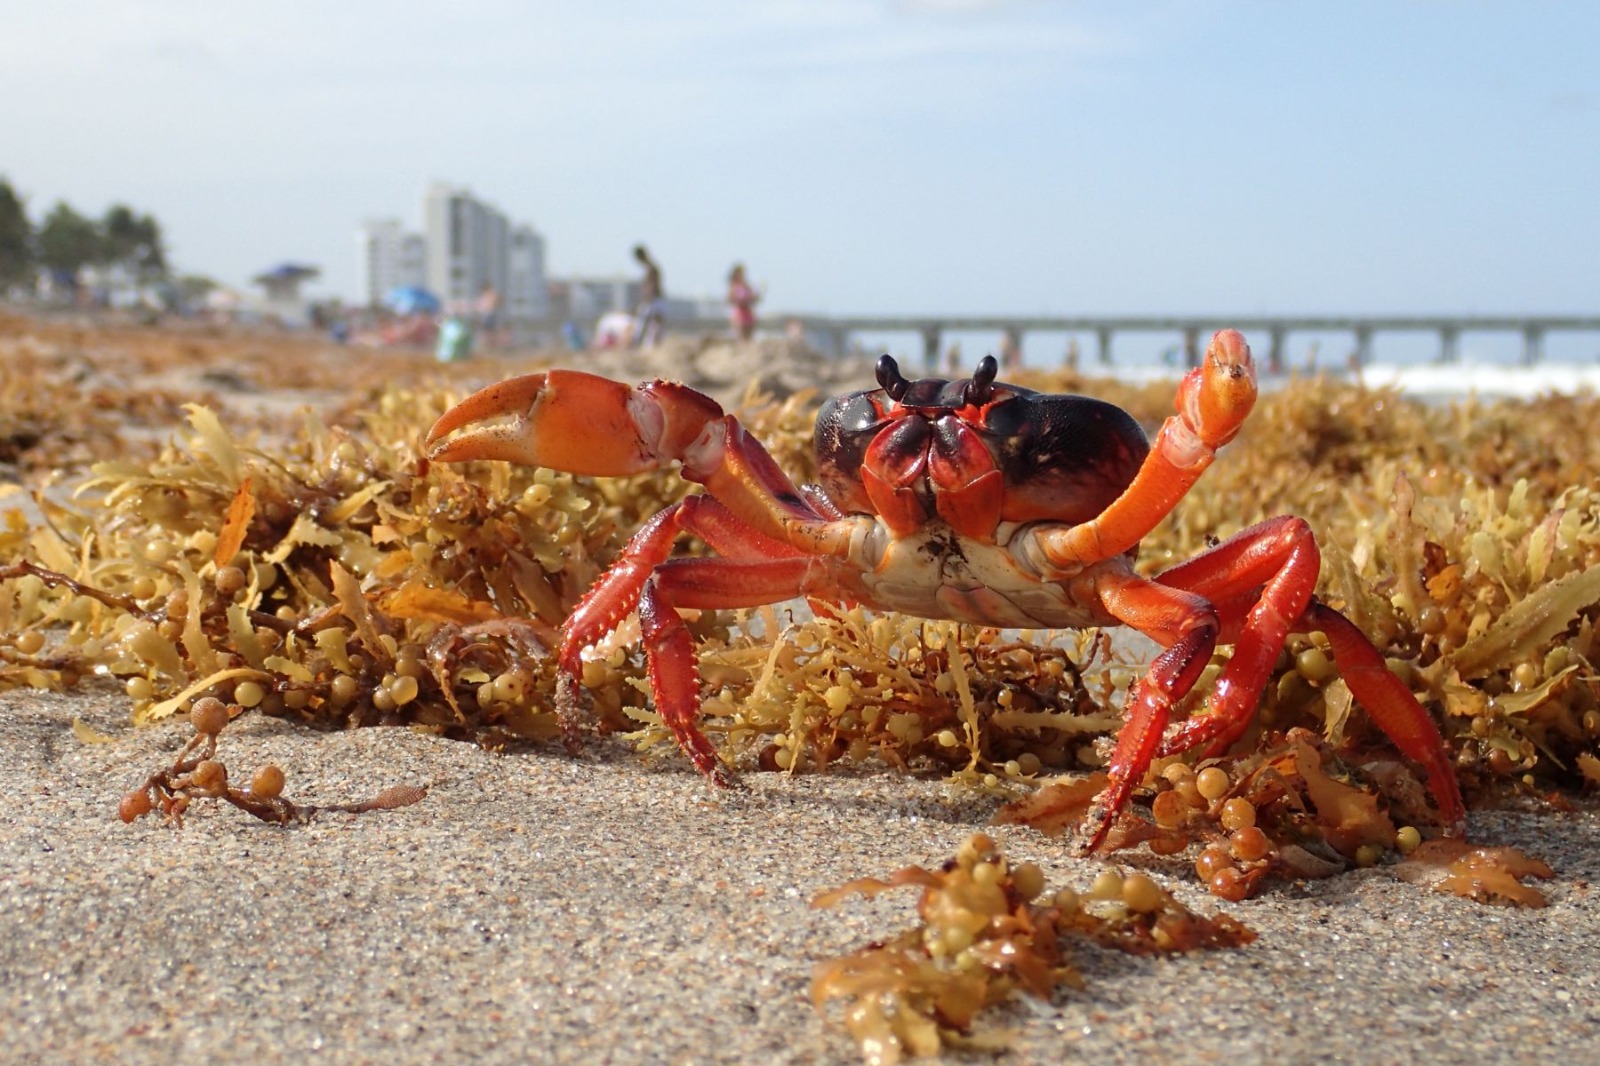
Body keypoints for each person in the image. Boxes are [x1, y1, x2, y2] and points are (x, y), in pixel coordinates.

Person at [632, 244, 664, 347]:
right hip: (652, 299)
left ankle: (648, 346)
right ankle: (645, 345)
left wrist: (647, 298)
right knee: (645, 324)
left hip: (652, 300)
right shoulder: (650, 268)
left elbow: (652, 286)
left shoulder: (651, 268)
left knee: (650, 324)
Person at [726, 262, 759, 341]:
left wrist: (753, 298)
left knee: (749, 338)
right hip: (739, 313)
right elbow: (729, 299)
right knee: (740, 338)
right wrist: (739, 301)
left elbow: (753, 298)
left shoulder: (747, 286)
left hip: (748, 313)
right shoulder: (734, 286)